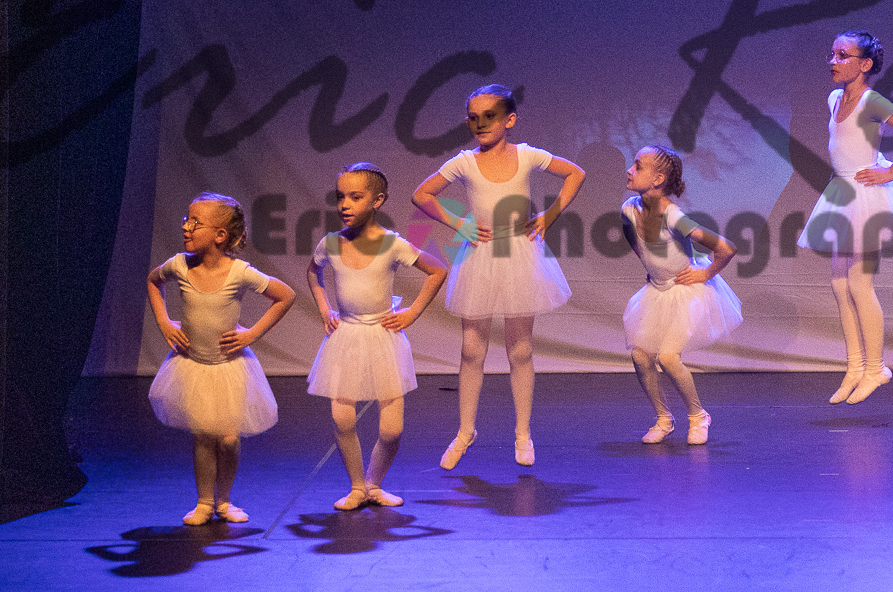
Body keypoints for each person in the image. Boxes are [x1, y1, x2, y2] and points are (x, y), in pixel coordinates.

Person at [412, 84, 585, 468]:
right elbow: (422, 194)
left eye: (489, 116)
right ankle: (465, 431)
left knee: (519, 350)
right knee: (471, 349)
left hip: (520, 253)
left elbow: (575, 173)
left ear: (510, 120)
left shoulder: (527, 155)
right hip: (480, 255)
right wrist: (458, 222)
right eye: (473, 117)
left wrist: (551, 214)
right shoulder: (464, 162)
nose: (480, 123)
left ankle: (523, 434)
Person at [147, 193, 295, 525]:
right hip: (193, 365)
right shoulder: (180, 265)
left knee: (228, 438)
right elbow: (153, 282)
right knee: (203, 435)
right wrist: (164, 323)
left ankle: (224, 500)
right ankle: (204, 501)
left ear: (220, 235)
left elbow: (285, 296)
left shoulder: (239, 272)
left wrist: (251, 334)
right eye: (186, 219)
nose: (186, 227)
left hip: (230, 366)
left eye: (195, 222)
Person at [307, 163, 447, 509]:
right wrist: (324, 309)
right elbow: (313, 272)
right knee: (342, 419)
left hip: (384, 338)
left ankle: (374, 483)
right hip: (346, 336)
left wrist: (412, 312)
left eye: (355, 197)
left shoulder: (391, 244)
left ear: (377, 200)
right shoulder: (331, 244)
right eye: (340, 196)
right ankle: (357, 487)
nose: (344, 204)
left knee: (391, 430)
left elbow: (436, 270)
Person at [798, 30, 893, 404]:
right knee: (839, 284)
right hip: (841, 193)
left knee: (859, 284)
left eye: (842, 55)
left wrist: (891, 171)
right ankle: (855, 366)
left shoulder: (872, 102)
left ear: (865, 64)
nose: (833, 61)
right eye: (832, 54)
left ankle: (876, 368)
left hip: (866, 198)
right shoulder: (834, 98)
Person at [620, 145, 742, 444]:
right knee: (640, 355)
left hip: (686, 291)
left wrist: (706, 273)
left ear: (658, 179)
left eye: (638, 166)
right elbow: (631, 234)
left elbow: (726, 248)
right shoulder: (628, 209)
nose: (630, 170)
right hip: (657, 290)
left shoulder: (674, 216)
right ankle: (663, 418)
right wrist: (649, 265)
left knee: (668, 357)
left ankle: (698, 416)